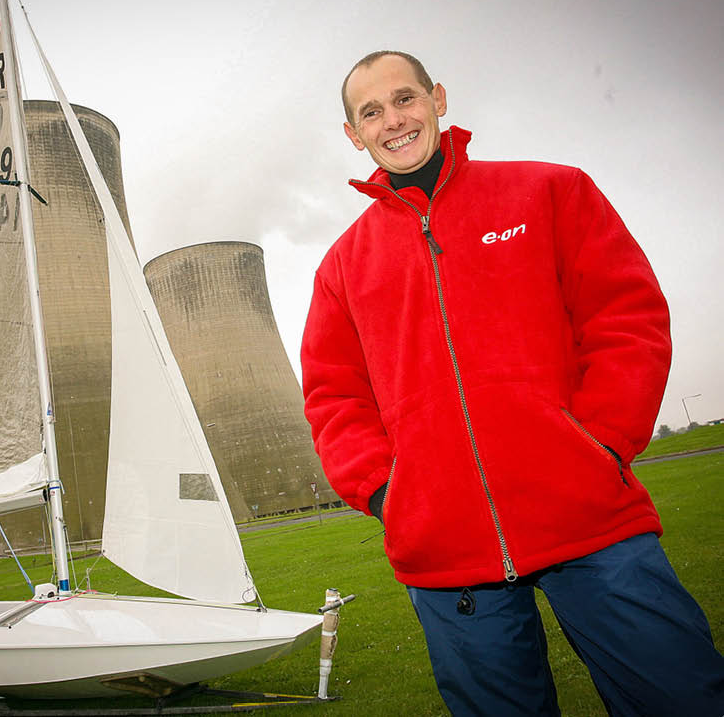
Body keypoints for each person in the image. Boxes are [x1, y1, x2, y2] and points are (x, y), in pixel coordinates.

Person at [300, 50, 724, 716]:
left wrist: (602, 443)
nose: (394, 120)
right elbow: (332, 396)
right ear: (353, 134)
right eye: (370, 111)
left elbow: (625, 318)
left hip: (590, 523)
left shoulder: (547, 190)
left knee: (680, 697)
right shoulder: (341, 267)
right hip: (445, 555)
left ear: (438, 97)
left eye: (404, 98)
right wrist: (389, 494)